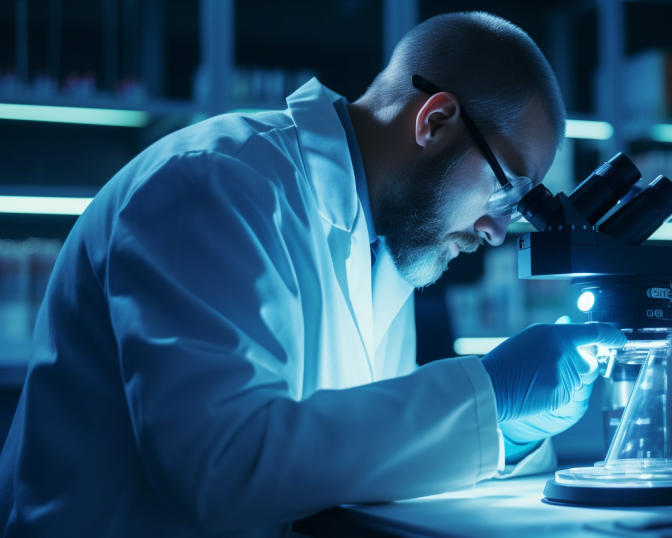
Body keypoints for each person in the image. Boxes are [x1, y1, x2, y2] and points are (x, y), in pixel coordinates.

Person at [0, 11, 624, 537]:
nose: (495, 229)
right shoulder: (216, 182)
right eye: (506, 188)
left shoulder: (387, 251)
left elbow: (360, 462)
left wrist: (509, 434)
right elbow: (221, 468)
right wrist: (487, 395)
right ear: (433, 121)